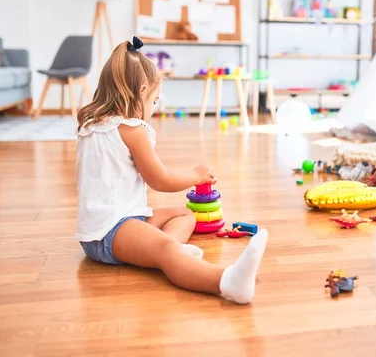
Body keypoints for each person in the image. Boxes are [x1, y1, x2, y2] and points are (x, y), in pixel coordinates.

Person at [75, 36, 268, 304]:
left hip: (99, 230)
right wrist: (196, 175)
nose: (153, 108)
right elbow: (160, 180)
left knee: (185, 215)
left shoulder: (91, 125)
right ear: (142, 92)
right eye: (154, 101)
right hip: (113, 230)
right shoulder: (133, 131)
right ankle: (226, 281)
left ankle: (164, 254)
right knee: (166, 248)